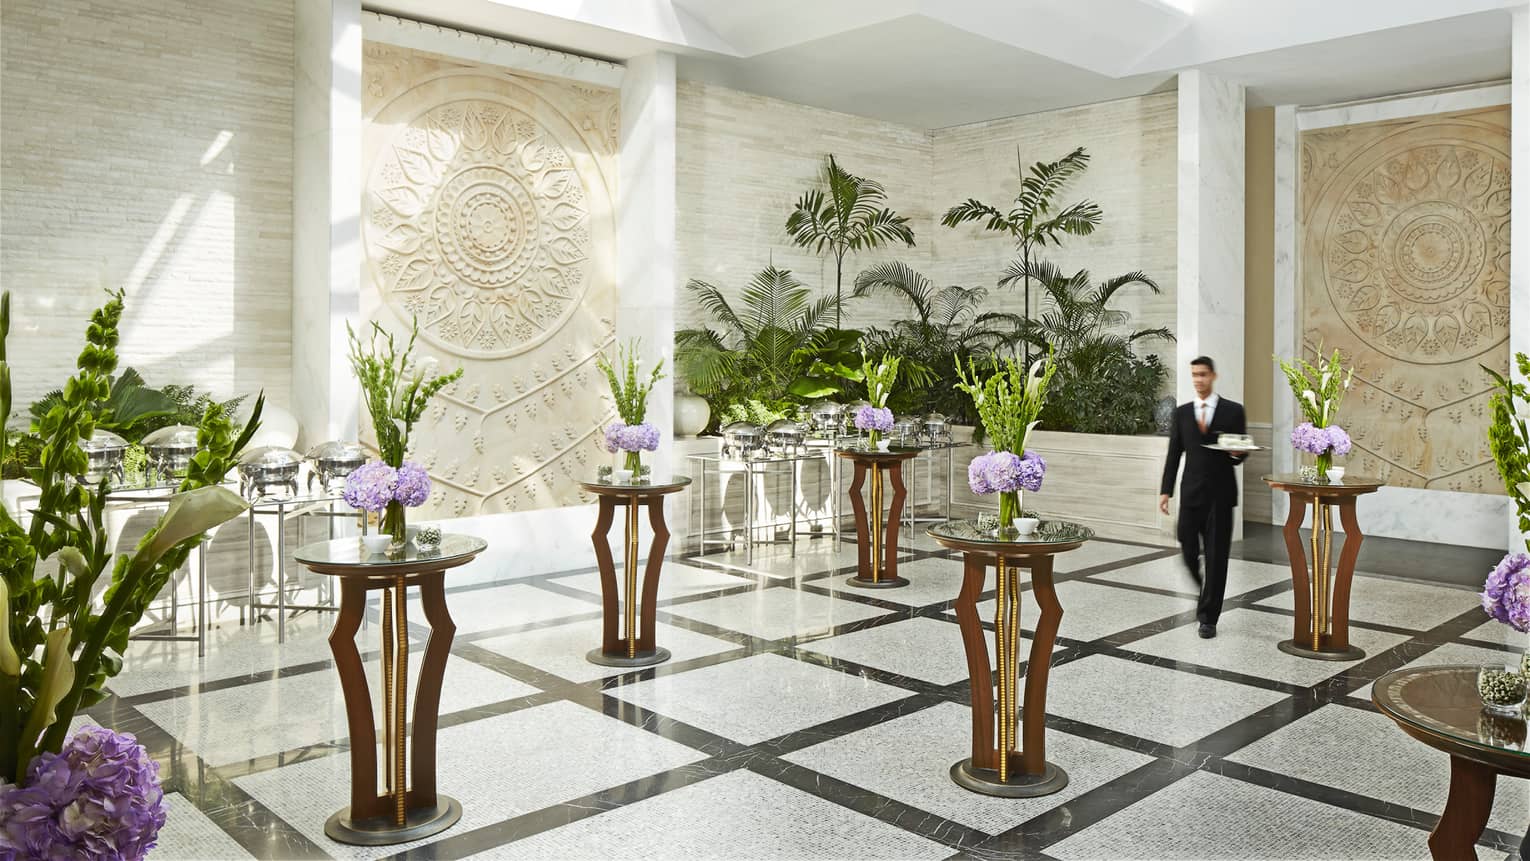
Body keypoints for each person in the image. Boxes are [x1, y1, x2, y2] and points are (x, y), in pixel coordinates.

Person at [1158, 356, 1246, 639]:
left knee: (1217, 557)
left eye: (1203, 374)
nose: (1198, 379)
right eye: (1194, 375)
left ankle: (1208, 618)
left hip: (1221, 496)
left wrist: (1237, 454)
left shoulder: (1233, 411)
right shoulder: (1182, 413)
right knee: (1186, 544)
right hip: (1191, 493)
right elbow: (1174, 454)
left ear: (1213, 376)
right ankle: (1203, 587)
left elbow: (1240, 450)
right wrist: (1165, 490)